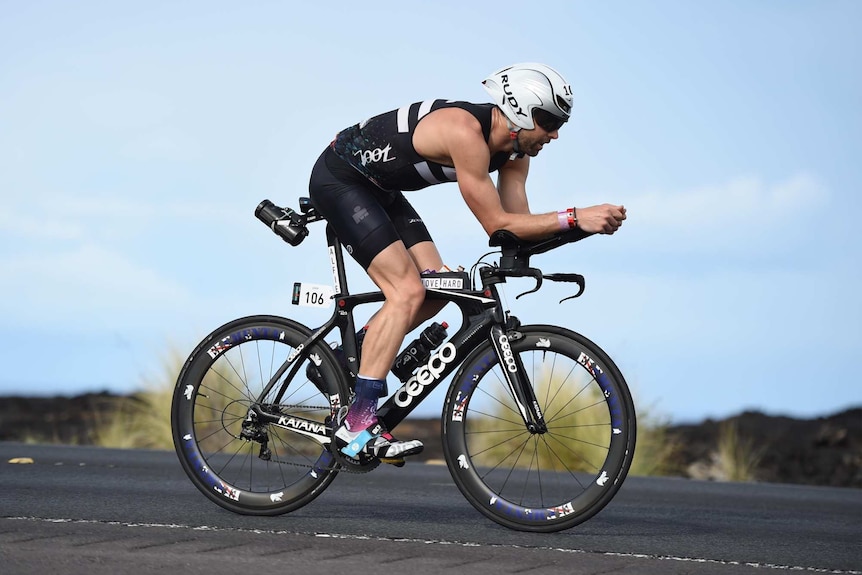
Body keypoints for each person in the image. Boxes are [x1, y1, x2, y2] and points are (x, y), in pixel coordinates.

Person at [307, 63, 626, 463]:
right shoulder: (465, 134)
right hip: (341, 181)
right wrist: (575, 215)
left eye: (560, 123)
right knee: (405, 290)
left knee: (442, 282)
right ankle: (356, 424)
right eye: (549, 120)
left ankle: (342, 360)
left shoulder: (514, 154)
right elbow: (496, 221)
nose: (555, 133)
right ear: (521, 110)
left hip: (381, 191)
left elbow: (513, 231)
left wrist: (582, 228)